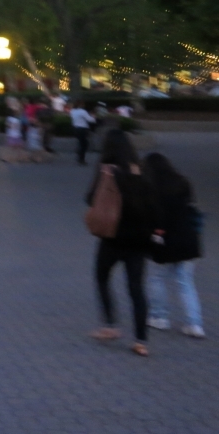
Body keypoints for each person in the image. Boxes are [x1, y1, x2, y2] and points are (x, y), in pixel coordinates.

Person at [86, 129, 161, 357]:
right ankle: (141, 341)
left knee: (101, 277)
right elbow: (154, 206)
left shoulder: (107, 171)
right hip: (139, 240)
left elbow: (90, 199)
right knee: (136, 289)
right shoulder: (142, 171)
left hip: (112, 238)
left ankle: (110, 325)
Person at [143, 153, 205, 338]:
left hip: (164, 240)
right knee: (186, 282)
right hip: (188, 238)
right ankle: (195, 323)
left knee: (157, 279)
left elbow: (152, 215)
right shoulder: (183, 182)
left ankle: (159, 317)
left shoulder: (150, 187)